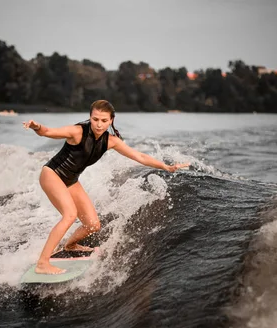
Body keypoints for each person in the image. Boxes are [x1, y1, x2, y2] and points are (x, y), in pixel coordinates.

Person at [22, 100, 189, 274]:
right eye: (95, 119)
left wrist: (166, 167)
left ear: (111, 120)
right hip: (52, 174)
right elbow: (48, 131)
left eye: (103, 120)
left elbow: (139, 156)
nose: (99, 124)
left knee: (93, 225)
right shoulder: (77, 132)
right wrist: (36, 126)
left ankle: (70, 245)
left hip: (71, 180)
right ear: (90, 118)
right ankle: (43, 263)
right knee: (70, 215)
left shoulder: (111, 141)